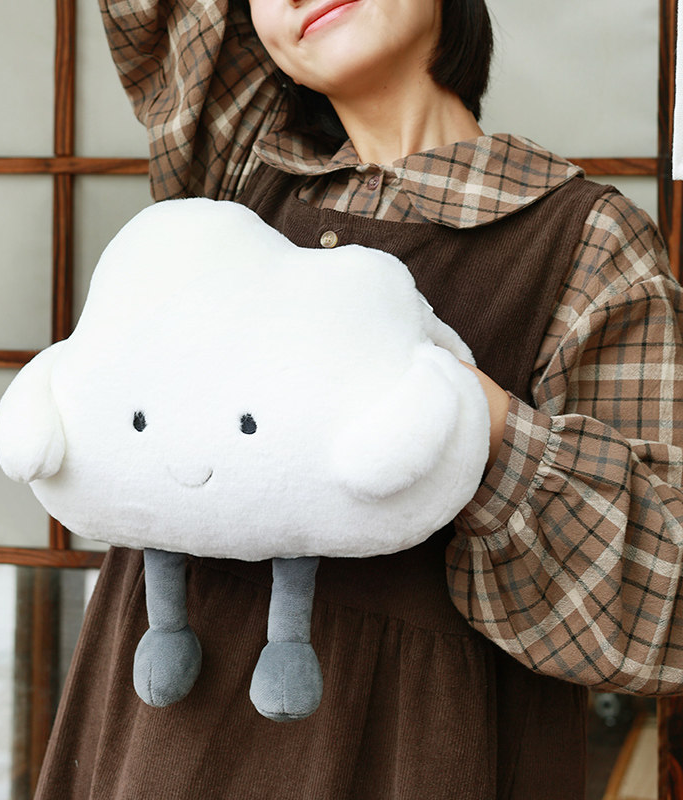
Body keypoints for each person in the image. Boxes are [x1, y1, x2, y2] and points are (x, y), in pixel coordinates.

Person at [34, 1, 683, 798]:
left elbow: (665, 610)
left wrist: (474, 421)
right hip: (150, 740)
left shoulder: (588, 242)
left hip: (403, 753)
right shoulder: (235, 175)